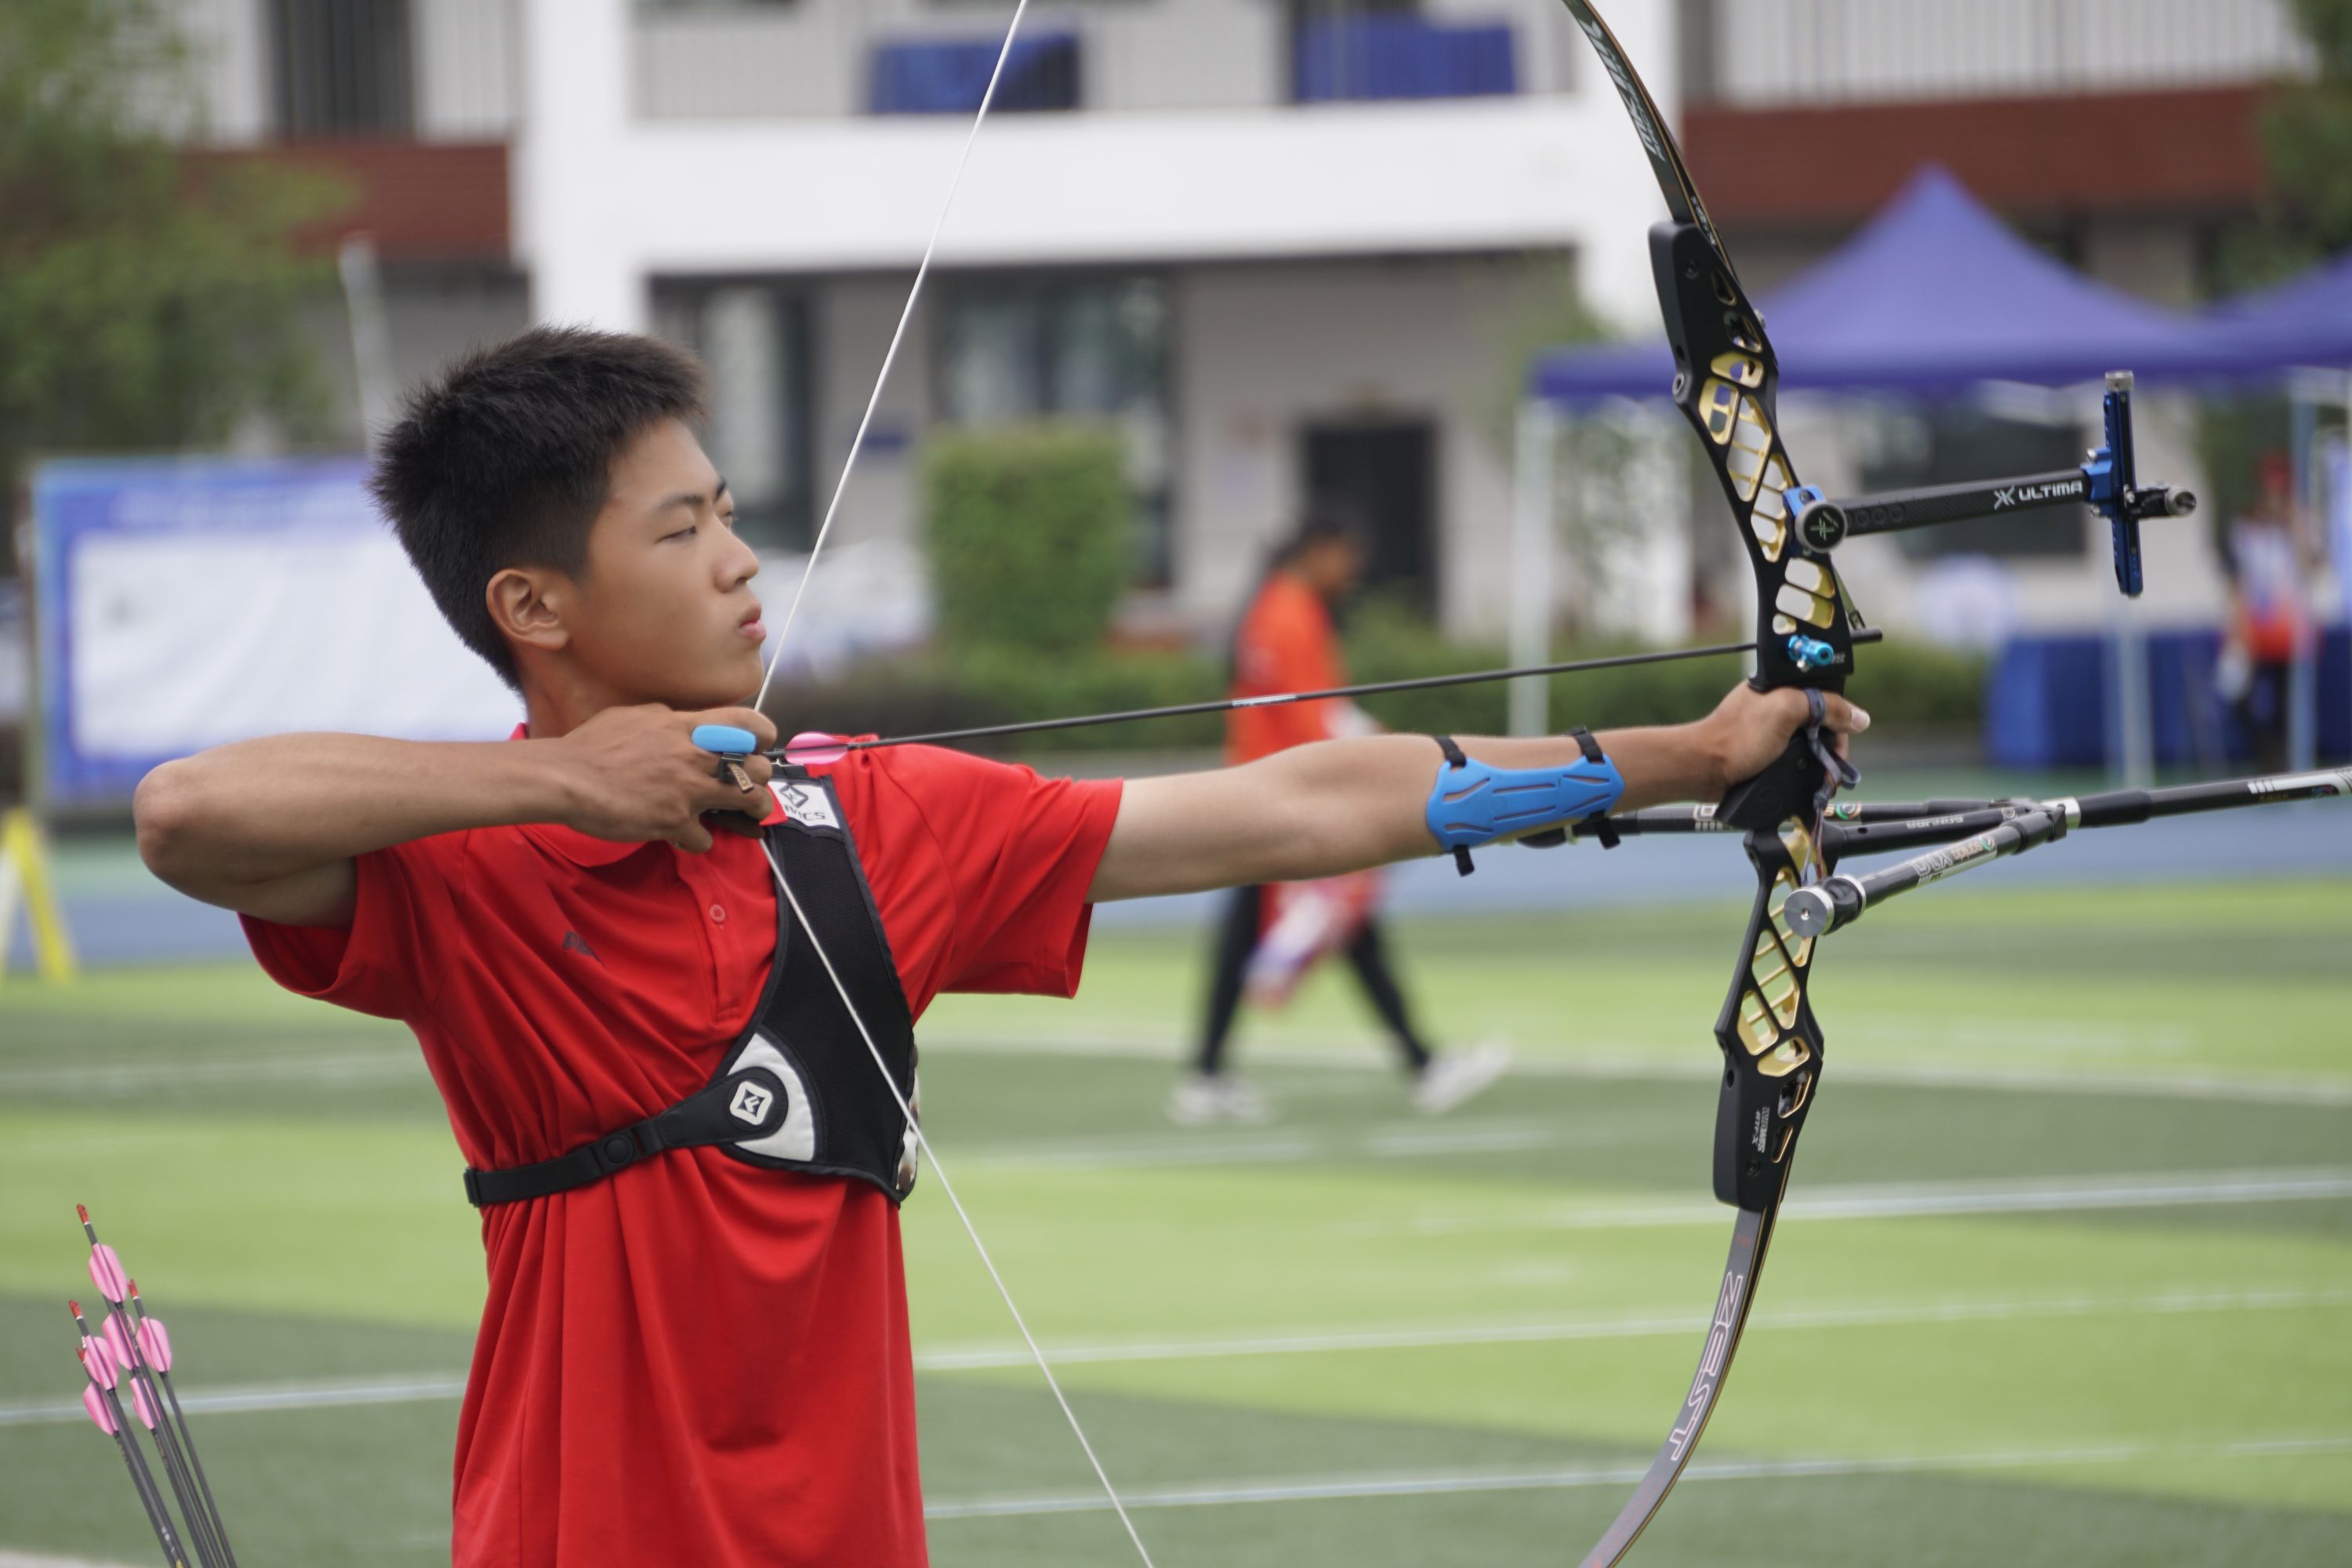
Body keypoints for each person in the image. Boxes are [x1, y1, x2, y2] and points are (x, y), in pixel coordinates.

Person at [132, 327, 1864, 1568]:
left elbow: (1299, 807)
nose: (740, 561)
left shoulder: (866, 815)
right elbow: (189, 813)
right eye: (680, 530)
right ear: (532, 606)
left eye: (727, 512)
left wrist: (1693, 755)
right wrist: (568, 782)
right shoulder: (469, 869)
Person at [1175, 513, 1505, 1125]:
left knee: (1314, 927)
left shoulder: (1276, 606)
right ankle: (1422, 1064)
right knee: (1341, 922)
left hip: (1263, 790)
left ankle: (1209, 1073)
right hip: (1280, 797)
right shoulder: (1290, 613)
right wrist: (1386, 753)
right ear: (1318, 550)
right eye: (1345, 554)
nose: (1352, 569)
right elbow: (1317, 719)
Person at [2217, 450, 2314, 775]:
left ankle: (2282, 759)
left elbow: (2309, 568)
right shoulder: (2245, 529)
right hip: (2253, 629)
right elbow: (2236, 581)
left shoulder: (2295, 530)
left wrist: (2297, 526)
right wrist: (2237, 628)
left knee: (2287, 701)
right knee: (2238, 695)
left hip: (2287, 630)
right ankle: (2265, 752)